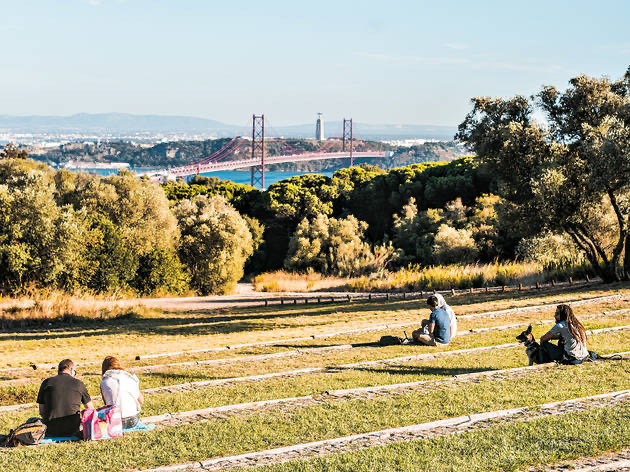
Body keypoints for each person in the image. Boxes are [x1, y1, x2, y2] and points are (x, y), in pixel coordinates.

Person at [37, 359, 94, 437]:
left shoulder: (46, 382)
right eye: (75, 372)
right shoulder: (79, 383)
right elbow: (90, 409)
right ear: (71, 369)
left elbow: (41, 411)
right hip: (73, 429)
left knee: (31, 420)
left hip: (50, 430)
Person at [100, 356, 143, 429]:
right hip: (133, 420)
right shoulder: (130, 378)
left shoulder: (103, 382)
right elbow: (141, 401)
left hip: (115, 421)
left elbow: (107, 404)